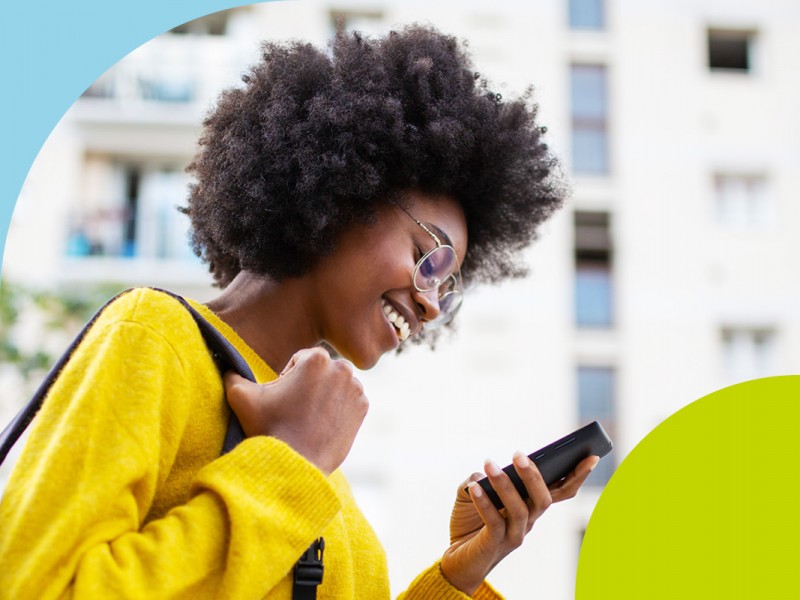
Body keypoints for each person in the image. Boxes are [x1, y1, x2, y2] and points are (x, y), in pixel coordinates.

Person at [0, 25, 599, 598]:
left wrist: (461, 573)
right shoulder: (156, 338)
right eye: (429, 257)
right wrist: (286, 464)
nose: (430, 302)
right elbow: (37, 587)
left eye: (448, 289)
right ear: (344, 193)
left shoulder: (325, 472)